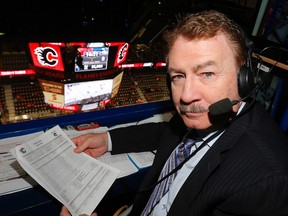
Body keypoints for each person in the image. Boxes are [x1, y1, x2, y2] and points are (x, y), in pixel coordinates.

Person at [60, 10, 288, 216]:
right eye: (178, 76)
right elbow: (165, 132)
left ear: (245, 79)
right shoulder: (204, 119)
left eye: (207, 74)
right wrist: (107, 139)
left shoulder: (265, 182)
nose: (186, 96)